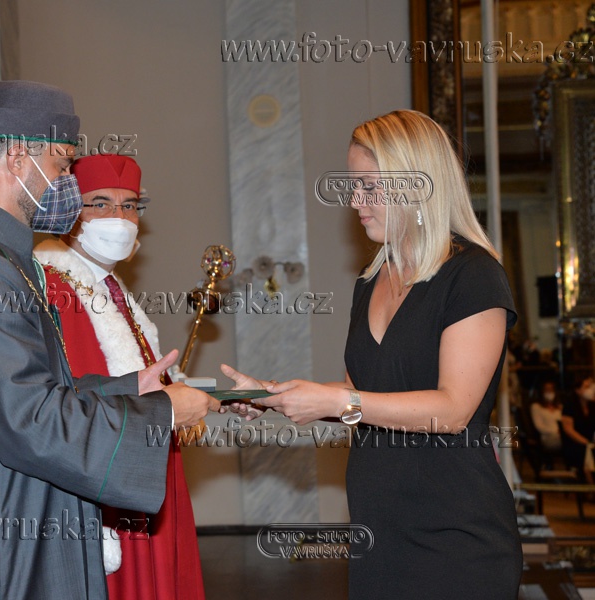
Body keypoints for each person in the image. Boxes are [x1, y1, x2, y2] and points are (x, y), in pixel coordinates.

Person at [0, 81, 218, 600]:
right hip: (1, 560)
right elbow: (31, 421)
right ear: (18, 158)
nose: (69, 182)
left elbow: (30, 392)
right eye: (63, 164)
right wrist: (162, 413)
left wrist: (128, 390)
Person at [225, 110, 522, 597]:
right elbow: (359, 393)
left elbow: (452, 411)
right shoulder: (370, 281)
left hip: (457, 536)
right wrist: (271, 395)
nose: (354, 201)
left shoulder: (473, 275)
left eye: (368, 186)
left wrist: (339, 401)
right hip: (379, 533)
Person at [34, 153, 204, 600]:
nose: (120, 218)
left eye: (130, 206)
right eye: (101, 204)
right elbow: (73, 400)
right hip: (112, 484)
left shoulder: (110, 287)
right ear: (70, 212)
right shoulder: (55, 288)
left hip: (147, 472)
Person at [561, 376, 595, 482]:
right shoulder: (570, 405)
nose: (591, 390)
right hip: (575, 443)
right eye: (587, 387)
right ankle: (590, 486)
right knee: (588, 452)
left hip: (591, 441)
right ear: (578, 390)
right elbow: (568, 430)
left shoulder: (592, 405)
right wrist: (586, 443)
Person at [530, 380, 562, 453]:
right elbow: (539, 427)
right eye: (547, 389)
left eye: (551, 389)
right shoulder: (536, 407)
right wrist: (556, 431)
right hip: (548, 438)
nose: (549, 392)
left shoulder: (560, 407)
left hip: (562, 436)